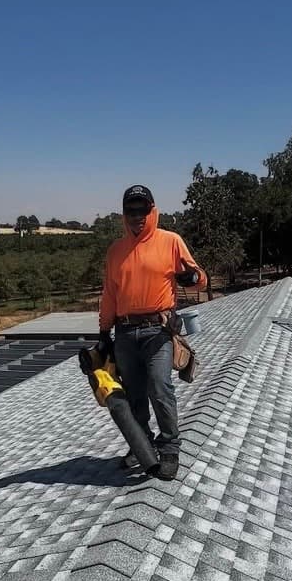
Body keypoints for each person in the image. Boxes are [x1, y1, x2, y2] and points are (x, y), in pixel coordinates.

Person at [98, 184, 204, 481]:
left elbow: (200, 279)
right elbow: (109, 294)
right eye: (131, 210)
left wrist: (191, 276)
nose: (137, 216)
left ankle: (170, 448)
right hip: (125, 332)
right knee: (134, 397)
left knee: (160, 388)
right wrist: (104, 332)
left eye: (142, 209)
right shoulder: (116, 251)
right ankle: (142, 444)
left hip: (158, 331)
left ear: (152, 210)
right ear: (124, 214)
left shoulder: (170, 241)